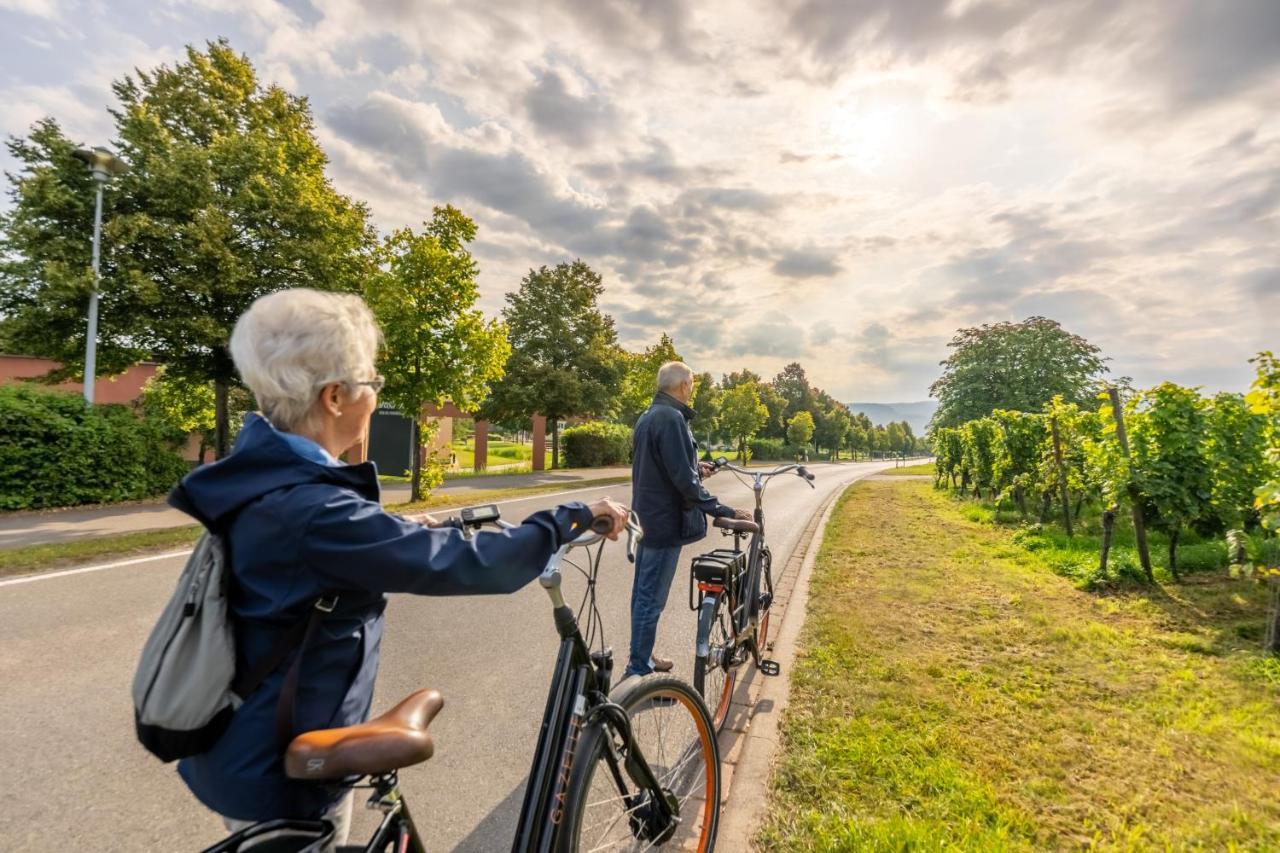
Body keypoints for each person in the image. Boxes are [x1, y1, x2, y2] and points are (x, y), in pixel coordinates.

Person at [169, 288, 627, 846]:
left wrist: (406, 534)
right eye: (372, 384)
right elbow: (478, 565)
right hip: (276, 770)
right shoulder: (310, 508)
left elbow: (327, 559)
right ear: (336, 397)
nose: (374, 397)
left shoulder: (266, 478)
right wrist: (570, 517)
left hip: (247, 744)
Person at [626, 361, 750, 678]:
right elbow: (685, 484)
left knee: (643, 596)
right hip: (663, 524)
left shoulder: (649, 416)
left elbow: (668, 471)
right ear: (683, 385)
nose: (692, 388)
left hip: (648, 520)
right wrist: (724, 510)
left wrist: (696, 469)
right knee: (650, 600)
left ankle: (643, 657)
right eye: (692, 382)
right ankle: (637, 673)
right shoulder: (671, 418)